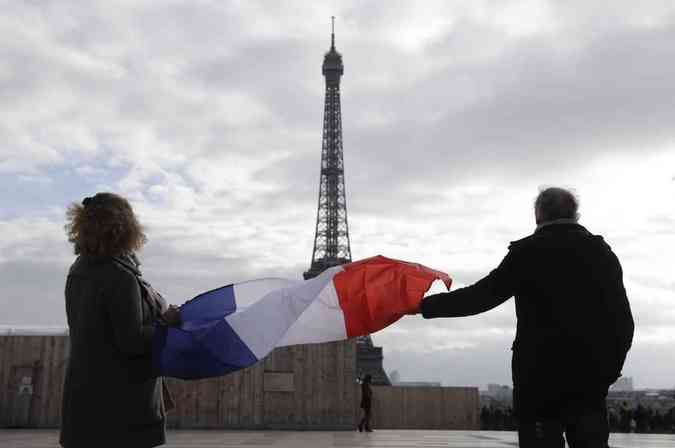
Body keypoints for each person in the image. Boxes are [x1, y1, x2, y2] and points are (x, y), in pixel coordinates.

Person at [412, 187, 634, 448]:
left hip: (539, 380)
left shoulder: (528, 253)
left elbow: (481, 297)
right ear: (575, 214)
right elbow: (624, 323)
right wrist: (606, 372)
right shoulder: (602, 254)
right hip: (588, 381)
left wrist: (423, 305)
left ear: (537, 215)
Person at [60, 193, 181, 448]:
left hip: (85, 405)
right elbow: (132, 341)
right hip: (121, 411)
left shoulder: (78, 270)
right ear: (124, 227)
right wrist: (167, 322)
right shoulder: (119, 276)